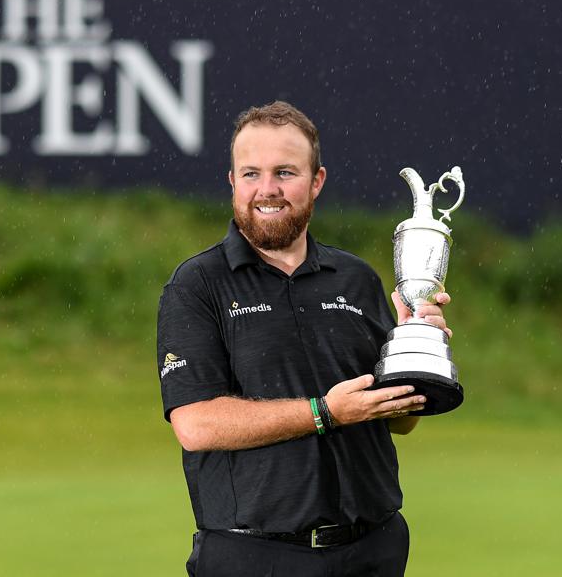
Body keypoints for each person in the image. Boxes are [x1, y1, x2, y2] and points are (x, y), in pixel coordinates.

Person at [156, 100, 452, 576]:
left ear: (317, 181)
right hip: (256, 558)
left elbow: (397, 422)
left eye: (285, 173)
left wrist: (414, 352)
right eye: (251, 173)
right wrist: (325, 413)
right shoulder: (198, 284)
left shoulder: (355, 279)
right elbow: (197, 425)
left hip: (372, 550)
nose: (266, 189)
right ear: (232, 181)